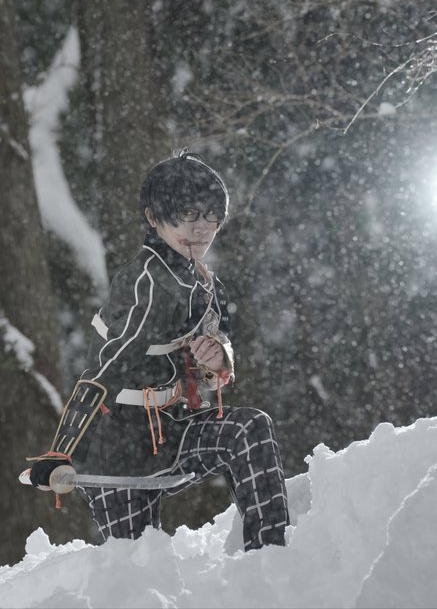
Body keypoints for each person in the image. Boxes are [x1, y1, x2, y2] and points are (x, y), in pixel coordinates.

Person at [26, 151, 290, 551]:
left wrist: (218, 358)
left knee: (249, 428)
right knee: (138, 566)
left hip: (173, 429)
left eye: (211, 215)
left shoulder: (204, 281)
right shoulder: (146, 283)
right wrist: (60, 452)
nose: (202, 228)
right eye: (187, 214)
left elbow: (213, 354)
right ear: (154, 217)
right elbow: (105, 370)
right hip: (118, 446)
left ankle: (270, 557)